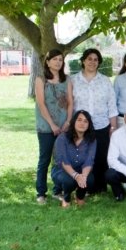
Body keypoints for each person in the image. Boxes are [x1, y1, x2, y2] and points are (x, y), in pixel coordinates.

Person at [71, 48, 117, 194]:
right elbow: (70, 104)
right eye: (89, 58)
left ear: (99, 63)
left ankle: (100, 187)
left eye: (96, 59)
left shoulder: (105, 81)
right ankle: (83, 187)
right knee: (82, 157)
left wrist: (113, 126)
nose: (92, 62)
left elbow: (111, 104)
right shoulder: (73, 80)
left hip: (102, 124)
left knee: (101, 157)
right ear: (83, 61)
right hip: (80, 127)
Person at [34, 49, 73, 204]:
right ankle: (41, 193)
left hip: (64, 126)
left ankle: (58, 191)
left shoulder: (67, 80)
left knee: (61, 159)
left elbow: (70, 102)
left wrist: (68, 122)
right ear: (48, 61)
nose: (58, 62)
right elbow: (41, 104)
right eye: (55, 59)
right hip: (46, 126)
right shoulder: (40, 79)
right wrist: (52, 124)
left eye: (60, 60)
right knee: (44, 159)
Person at [51, 110, 96, 208]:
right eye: (79, 120)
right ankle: (66, 198)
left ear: (89, 124)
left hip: (81, 169)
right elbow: (63, 161)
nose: (82, 123)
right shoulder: (62, 138)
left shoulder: (92, 140)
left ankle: (80, 197)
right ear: (73, 122)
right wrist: (76, 176)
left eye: (85, 121)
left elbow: (89, 161)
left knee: (90, 179)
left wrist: (83, 176)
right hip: (61, 170)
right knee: (69, 181)